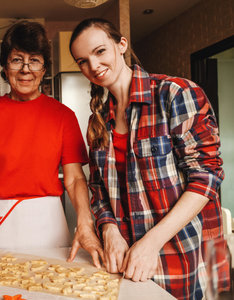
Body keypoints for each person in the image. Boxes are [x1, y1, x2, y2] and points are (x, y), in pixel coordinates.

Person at [69, 18, 230, 299]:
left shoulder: (175, 94)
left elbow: (207, 176)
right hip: (129, 261)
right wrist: (109, 231)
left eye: (99, 51)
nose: (93, 66)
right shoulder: (97, 122)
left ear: (121, 45)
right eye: (82, 61)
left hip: (188, 254)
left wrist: (151, 243)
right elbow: (97, 189)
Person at [0, 21, 104, 267]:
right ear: (4, 66)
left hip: (46, 222)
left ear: (44, 68)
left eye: (34, 60)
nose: (25, 69)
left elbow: (74, 179)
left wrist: (85, 223)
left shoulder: (63, 116)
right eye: (16, 60)